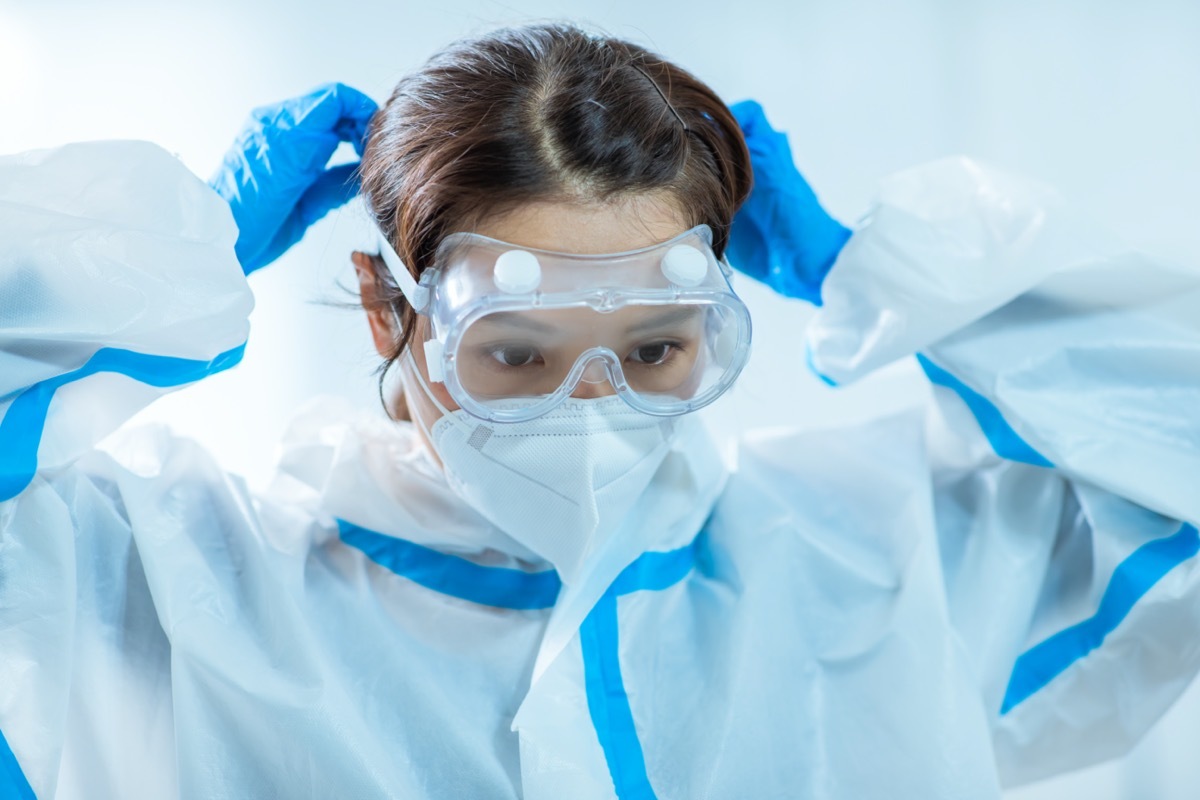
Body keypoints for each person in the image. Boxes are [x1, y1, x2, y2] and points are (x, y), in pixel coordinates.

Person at [1, 21, 1198, 800]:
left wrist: (876, 272)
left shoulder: (873, 561)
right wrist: (154, 254)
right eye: (517, 353)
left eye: (656, 347)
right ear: (388, 313)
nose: (591, 410)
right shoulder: (169, 582)